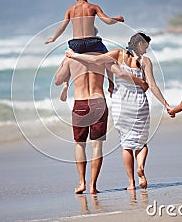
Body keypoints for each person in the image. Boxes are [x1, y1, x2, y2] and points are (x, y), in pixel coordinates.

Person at [66, 32, 171, 190]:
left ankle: (131, 183)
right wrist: (166, 104)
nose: (146, 51)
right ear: (140, 44)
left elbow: (95, 60)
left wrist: (74, 56)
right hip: (139, 104)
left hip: (121, 106)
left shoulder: (117, 54)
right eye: (146, 47)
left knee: (126, 145)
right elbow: (152, 86)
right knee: (141, 143)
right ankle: (140, 167)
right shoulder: (145, 61)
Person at [54, 51, 148, 194]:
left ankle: (81, 183)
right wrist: (112, 84)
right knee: (96, 146)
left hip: (80, 103)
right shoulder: (102, 56)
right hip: (98, 101)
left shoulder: (70, 58)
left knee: (80, 144)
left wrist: (64, 63)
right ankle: (93, 186)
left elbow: (57, 80)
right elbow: (117, 74)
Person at [46, 0, 124, 101]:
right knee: (107, 57)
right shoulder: (93, 7)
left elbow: (62, 27)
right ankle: (110, 83)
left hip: (76, 44)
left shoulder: (71, 9)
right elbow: (107, 21)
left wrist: (53, 38)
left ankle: (66, 83)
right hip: (92, 43)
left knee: (67, 58)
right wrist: (117, 19)